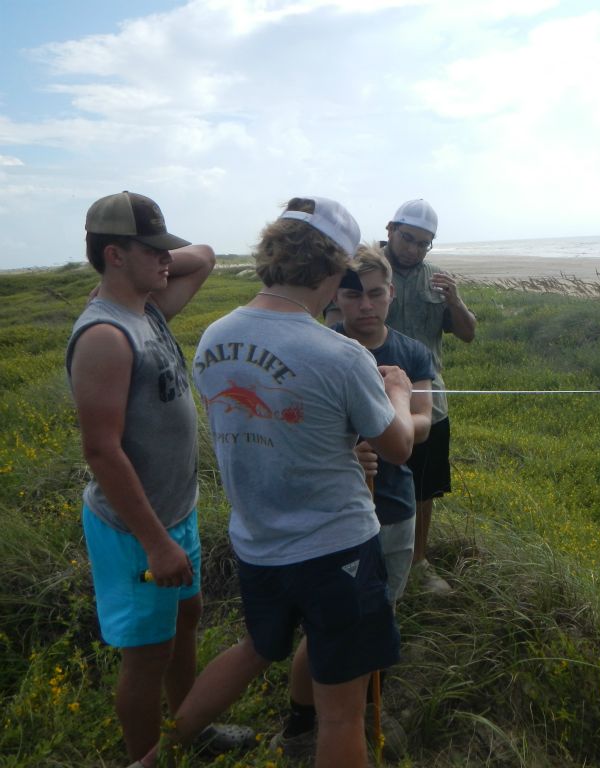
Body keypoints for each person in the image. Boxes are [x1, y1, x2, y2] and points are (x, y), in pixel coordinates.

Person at [139, 197, 415, 768]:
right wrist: (399, 393)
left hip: (257, 542)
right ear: (335, 269)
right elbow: (397, 446)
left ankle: (157, 757)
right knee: (341, 714)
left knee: (255, 648)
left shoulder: (214, 337)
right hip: (336, 550)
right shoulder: (340, 355)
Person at [66, 191, 249, 761]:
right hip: (135, 530)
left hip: (176, 514)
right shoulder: (105, 336)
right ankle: (148, 758)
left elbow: (207, 255)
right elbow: (102, 451)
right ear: (115, 254)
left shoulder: (146, 309)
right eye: (152, 251)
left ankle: (188, 732)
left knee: (186, 619)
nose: (167, 260)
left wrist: (158, 256)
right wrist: (155, 543)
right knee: (148, 652)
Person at [275, 244, 434, 758]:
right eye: (352, 293)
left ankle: (366, 706)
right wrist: (351, 447)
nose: (365, 305)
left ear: (390, 294)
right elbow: (301, 428)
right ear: (334, 297)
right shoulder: (322, 347)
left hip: (394, 504)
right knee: (332, 623)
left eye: (375, 293)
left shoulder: (411, 353)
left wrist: (389, 424)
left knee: (381, 610)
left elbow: (425, 421)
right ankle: (303, 719)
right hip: (337, 512)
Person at [382, 199, 476, 594]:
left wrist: (454, 301)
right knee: (367, 482)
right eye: (408, 239)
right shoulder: (365, 271)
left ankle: (418, 562)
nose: (415, 250)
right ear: (391, 230)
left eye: (424, 244)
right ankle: (371, 560)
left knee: (423, 488)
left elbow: (468, 334)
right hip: (372, 401)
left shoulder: (436, 279)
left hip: (429, 406)